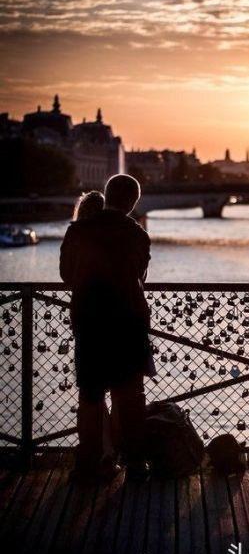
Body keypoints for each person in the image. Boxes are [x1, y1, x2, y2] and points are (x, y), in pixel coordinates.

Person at [60, 174, 156, 480]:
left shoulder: (78, 231)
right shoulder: (137, 234)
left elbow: (66, 274)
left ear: (106, 194)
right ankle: (135, 463)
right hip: (128, 324)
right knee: (130, 396)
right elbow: (141, 275)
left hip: (90, 322)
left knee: (90, 395)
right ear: (133, 203)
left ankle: (89, 464)